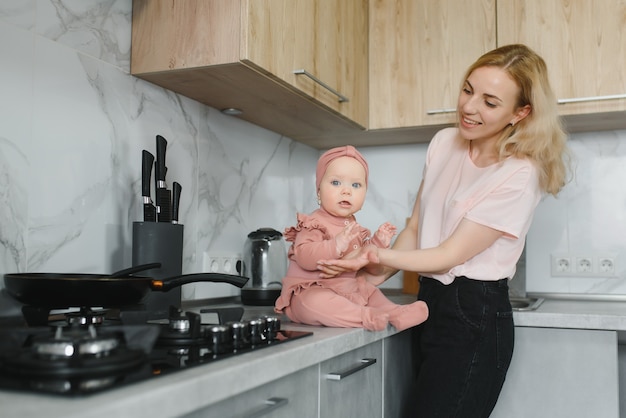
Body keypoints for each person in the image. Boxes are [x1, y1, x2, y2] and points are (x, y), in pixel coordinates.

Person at [317, 44, 570, 417]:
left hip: (475, 315)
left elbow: (450, 254)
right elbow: (416, 227)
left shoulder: (519, 173)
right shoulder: (443, 142)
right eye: (468, 90)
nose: (469, 107)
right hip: (429, 301)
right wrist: (364, 280)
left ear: (521, 112)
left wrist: (374, 254)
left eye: (489, 102)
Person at [274, 145, 429, 332]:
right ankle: (365, 316)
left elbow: (363, 259)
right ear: (318, 190)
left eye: (356, 185)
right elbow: (305, 256)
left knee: (371, 292)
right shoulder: (313, 223)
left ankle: (395, 313)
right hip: (311, 289)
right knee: (314, 302)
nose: (346, 191)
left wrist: (378, 243)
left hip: (348, 289)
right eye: (336, 183)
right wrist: (335, 245)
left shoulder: (355, 228)